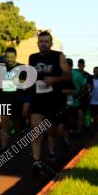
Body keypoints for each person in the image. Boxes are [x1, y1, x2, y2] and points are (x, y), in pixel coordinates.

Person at [25, 31, 71, 174]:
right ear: (38, 43)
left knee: (52, 132)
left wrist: (54, 80)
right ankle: (36, 162)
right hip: (38, 100)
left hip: (54, 100)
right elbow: (31, 80)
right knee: (35, 128)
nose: (43, 44)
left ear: (51, 43)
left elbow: (68, 75)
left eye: (46, 41)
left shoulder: (58, 56)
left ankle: (53, 148)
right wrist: (27, 101)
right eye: (41, 41)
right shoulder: (32, 58)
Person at [0, 47, 26, 149]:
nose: (10, 59)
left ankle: (17, 143)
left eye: (12, 57)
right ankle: (3, 147)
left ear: (16, 56)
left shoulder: (22, 67)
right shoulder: (0, 67)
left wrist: (17, 81)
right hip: (4, 98)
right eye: (8, 57)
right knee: (4, 123)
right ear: (5, 57)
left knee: (16, 125)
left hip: (17, 100)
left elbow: (26, 84)